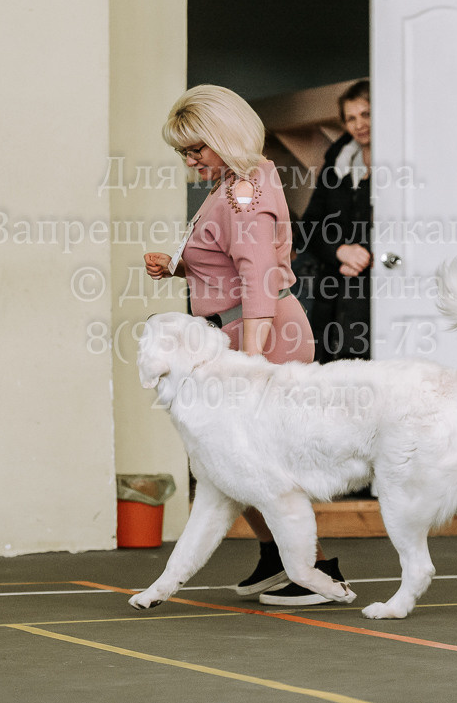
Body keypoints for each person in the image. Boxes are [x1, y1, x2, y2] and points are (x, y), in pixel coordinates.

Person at [143, 84, 348, 606]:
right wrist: (178, 266)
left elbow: (258, 280)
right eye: (183, 152)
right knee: (234, 463)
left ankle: (317, 569)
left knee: (257, 464)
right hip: (236, 332)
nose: (189, 161)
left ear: (225, 137)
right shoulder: (237, 183)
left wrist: (251, 364)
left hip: (258, 334)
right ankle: (278, 557)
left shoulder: (245, 195)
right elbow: (228, 261)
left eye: (196, 149)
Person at [298, 80, 373, 363]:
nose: (359, 124)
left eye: (366, 114)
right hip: (334, 293)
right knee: (332, 374)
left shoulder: (401, 160)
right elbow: (309, 227)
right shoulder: (336, 165)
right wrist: (341, 251)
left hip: (379, 290)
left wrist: (365, 254)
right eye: (351, 118)